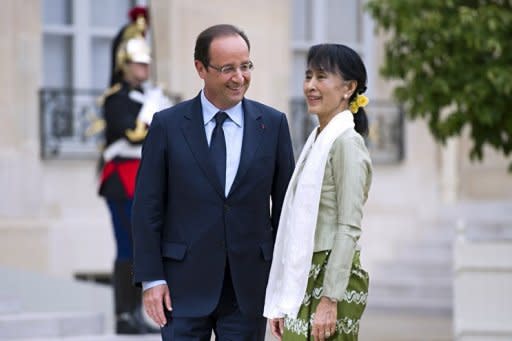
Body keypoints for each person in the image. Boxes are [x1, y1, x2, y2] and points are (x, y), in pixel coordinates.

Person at [131, 24, 295, 340]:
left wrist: (282, 286)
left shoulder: (273, 125)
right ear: (201, 69)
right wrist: (152, 279)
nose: (239, 77)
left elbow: (286, 210)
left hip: (248, 290)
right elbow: (147, 207)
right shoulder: (167, 125)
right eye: (227, 68)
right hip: (180, 289)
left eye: (245, 66)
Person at [264, 44, 373, 341]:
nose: (310, 86)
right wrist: (282, 301)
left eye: (321, 77)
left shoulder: (346, 144)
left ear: (348, 88)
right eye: (308, 76)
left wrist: (330, 299)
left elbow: (349, 226)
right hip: (305, 279)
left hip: (329, 280)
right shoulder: (317, 141)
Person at [98, 34, 171, 334]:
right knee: (128, 247)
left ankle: (137, 312)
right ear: (125, 66)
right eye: (138, 64)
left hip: (143, 177)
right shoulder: (116, 99)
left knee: (145, 246)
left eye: (146, 64)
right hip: (121, 179)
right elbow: (131, 134)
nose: (144, 69)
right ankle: (124, 315)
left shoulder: (149, 96)